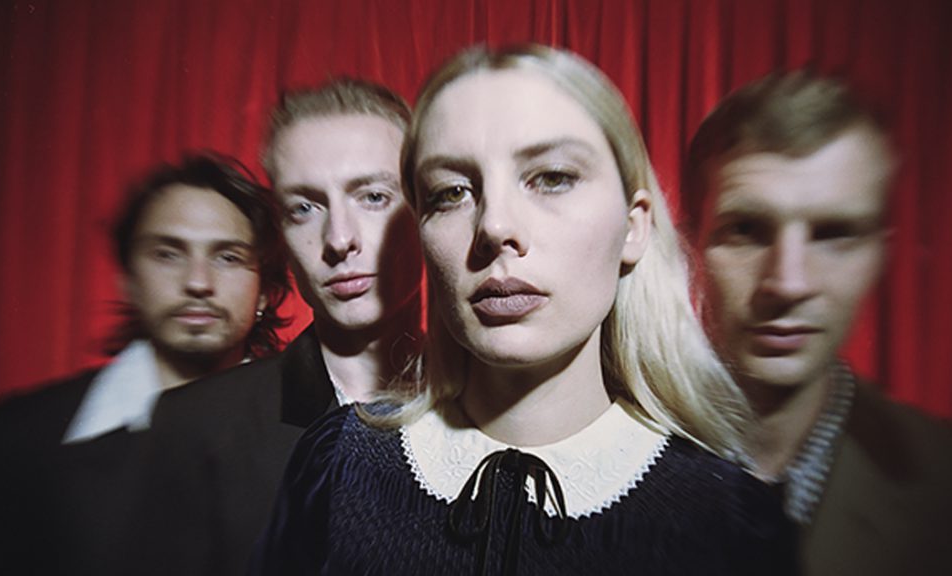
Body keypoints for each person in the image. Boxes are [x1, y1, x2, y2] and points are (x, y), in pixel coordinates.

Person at [252, 44, 796, 575]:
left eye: (552, 177)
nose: (494, 226)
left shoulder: (734, 523)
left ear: (634, 227)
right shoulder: (337, 465)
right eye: (451, 192)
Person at [684, 71, 952, 575]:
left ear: (880, 255)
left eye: (834, 234)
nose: (788, 282)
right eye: (747, 230)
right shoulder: (579, 462)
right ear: (689, 247)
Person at [137, 78, 424, 575]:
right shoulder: (193, 428)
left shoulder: (503, 407)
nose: (338, 239)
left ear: (426, 207)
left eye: (373, 197)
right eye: (304, 208)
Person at [0, 153, 289, 575]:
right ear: (128, 278)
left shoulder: (316, 439)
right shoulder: (19, 438)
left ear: (265, 291)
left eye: (228, 257)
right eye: (168, 254)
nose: (198, 283)